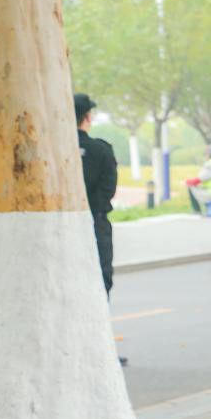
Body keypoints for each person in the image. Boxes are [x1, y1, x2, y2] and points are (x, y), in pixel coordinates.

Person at [76, 93, 117, 297]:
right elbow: (109, 187)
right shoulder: (101, 150)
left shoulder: (55, 151)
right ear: (88, 118)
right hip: (96, 222)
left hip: (65, 225)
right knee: (101, 279)